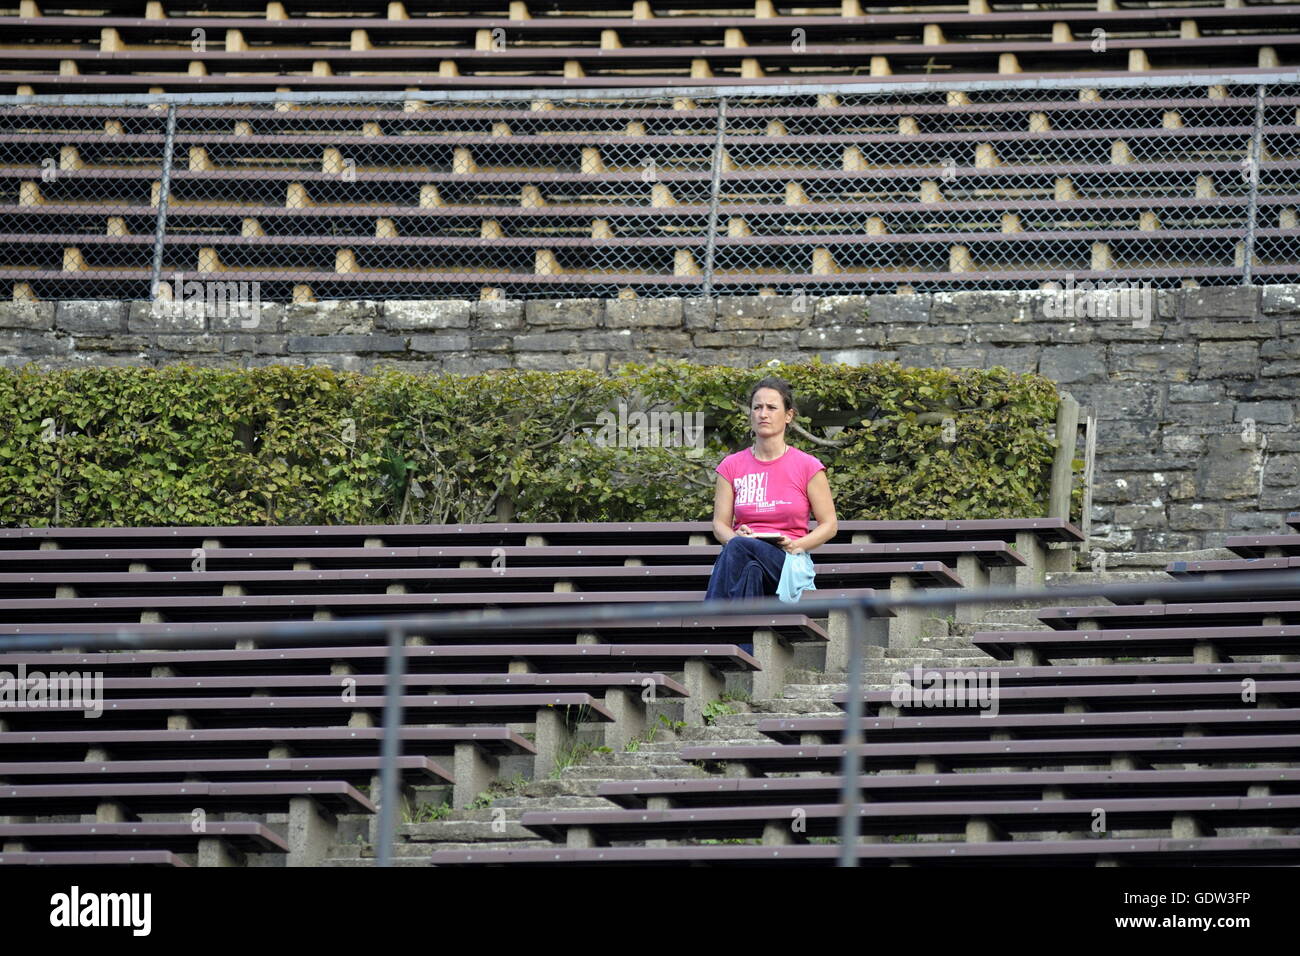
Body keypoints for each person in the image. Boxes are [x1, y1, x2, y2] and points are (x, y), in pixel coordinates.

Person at [704, 376, 839, 607]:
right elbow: (719, 526)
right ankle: (745, 643)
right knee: (751, 570)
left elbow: (830, 525)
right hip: (744, 557)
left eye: (771, 407)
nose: (763, 414)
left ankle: (709, 622)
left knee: (740, 550)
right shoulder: (731, 466)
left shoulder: (808, 466)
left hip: (787, 560)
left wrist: (796, 545)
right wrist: (737, 538)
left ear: (788, 416)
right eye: (757, 407)